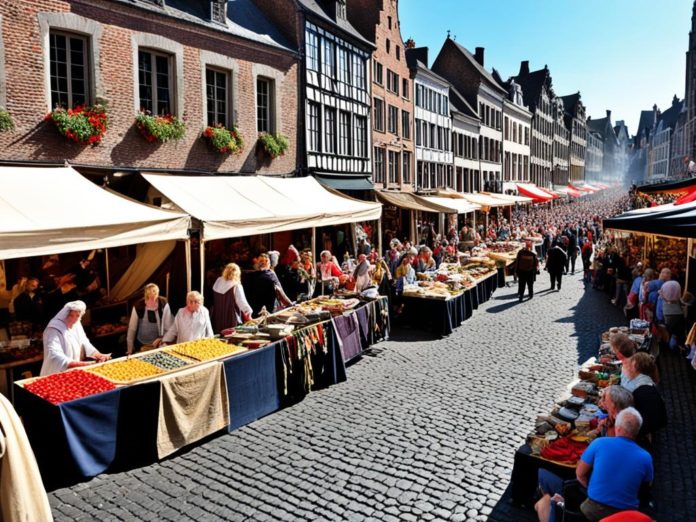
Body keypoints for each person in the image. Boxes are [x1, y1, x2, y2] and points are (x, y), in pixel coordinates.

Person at [576, 408, 653, 521]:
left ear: (617, 427)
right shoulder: (646, 457)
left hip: (593, 510)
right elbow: (645, 487)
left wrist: (595, 489)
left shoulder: (599, 443)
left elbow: (580, 474)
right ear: (637, 431)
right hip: (625, 515)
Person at [40, 300, 110, 376]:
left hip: (73, 372)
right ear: (65, 315)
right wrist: (84, 364)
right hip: (55, 373)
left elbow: (85, 343)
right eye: (71, 315)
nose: (75, 318)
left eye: (77, 315)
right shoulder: (53, 329)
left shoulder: (77, 325)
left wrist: (98, 355)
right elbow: (54, 354)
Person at [621, 352, 667, 447]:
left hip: (644, 425)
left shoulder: (637, 387)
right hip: (654, 422)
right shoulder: (646, 381)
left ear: (635, 367)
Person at [126, 283, 173, 355]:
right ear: (146, 294)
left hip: (158, 343)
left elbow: (168, 325)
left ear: (158, 293)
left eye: (154, 292)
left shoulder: (163, 303)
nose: (152, 294)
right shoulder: (138, 305)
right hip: (142, 344)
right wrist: (130, 348)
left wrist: (163, 339)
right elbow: (132, 328)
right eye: (149, 292)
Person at [211, 263, 253, 333]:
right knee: (231, 335)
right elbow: (241, 302)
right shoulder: (236, 286)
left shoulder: (218, 281)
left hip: (218, 316)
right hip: (231, 316)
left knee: (220, 335)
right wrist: (249, 312)